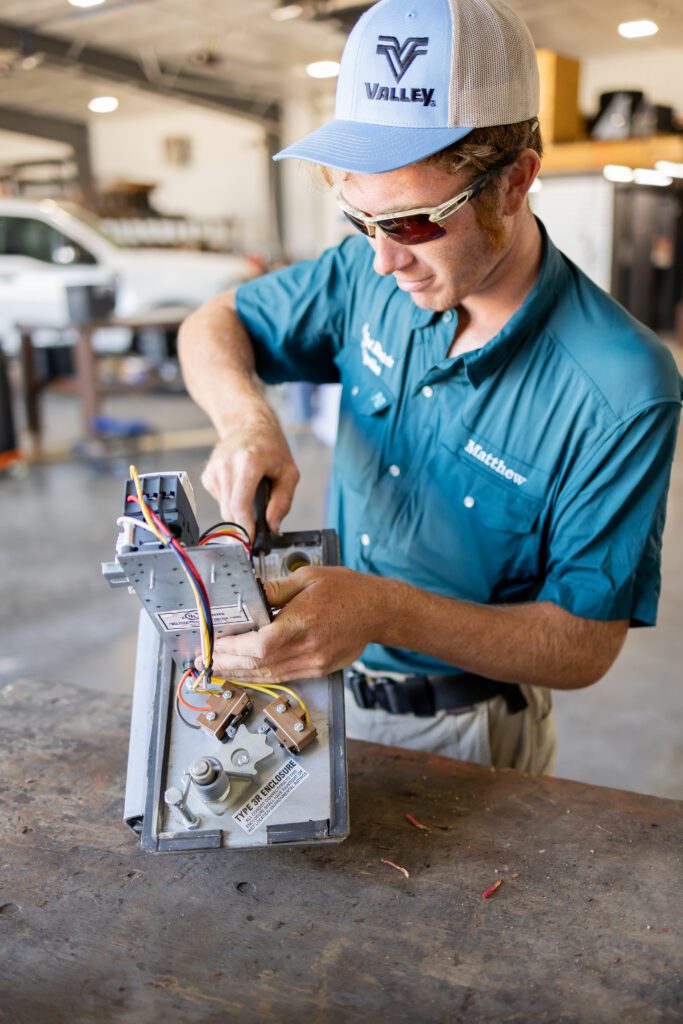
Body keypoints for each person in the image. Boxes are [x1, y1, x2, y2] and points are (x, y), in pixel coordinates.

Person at [178, 0, 682, 774]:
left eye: (413, 224)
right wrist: (246, 419)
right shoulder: (365, 275)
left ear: (513, 184)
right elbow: (212, 323)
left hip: (465, 735)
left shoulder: (620, 387)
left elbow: (581, 645)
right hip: (319, 697)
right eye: (359, 221)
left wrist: (381, 609)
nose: (383, 261)